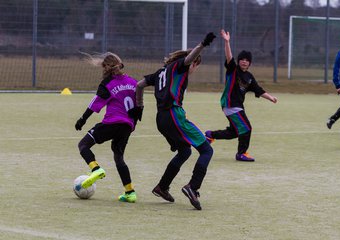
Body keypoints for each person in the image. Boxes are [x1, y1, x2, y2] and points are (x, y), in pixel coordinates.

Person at [135, 32, 216, 210]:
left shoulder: (159, 72)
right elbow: (188, 59)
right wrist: (203, 44)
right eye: (196, 66)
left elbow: (139, 85)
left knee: (184, 151)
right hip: (174, 115)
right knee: (206, 150)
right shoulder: (179, 67)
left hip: (161, 119)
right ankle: (193, 187)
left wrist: (139, 106)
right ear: (193, 63)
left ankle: (162, 187)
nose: (194, 69)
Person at [74, 52, 142, 203]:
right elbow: (139, 105)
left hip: (112, 123)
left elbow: (95, 104)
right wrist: (132, 125)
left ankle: (96, 169)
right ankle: (130, 192)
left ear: (106, 67)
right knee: (119, 157)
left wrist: (82, 119)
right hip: (127, 126)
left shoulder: (108, 84)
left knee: (83, 144)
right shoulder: (133, 82)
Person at [205, 29, 277, 162]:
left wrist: (271, 98)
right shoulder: (233, 70)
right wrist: (227, 42)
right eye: (242, 59)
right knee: (246, 128)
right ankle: (241, 153)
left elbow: (258, 90)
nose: (244, 62)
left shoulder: (249, 77)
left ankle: (210, 135)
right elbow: (229, 57)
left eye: (247, 60)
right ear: (238, 61)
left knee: (234, 132)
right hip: (230, 104)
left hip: (237, 106)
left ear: (250, 63)